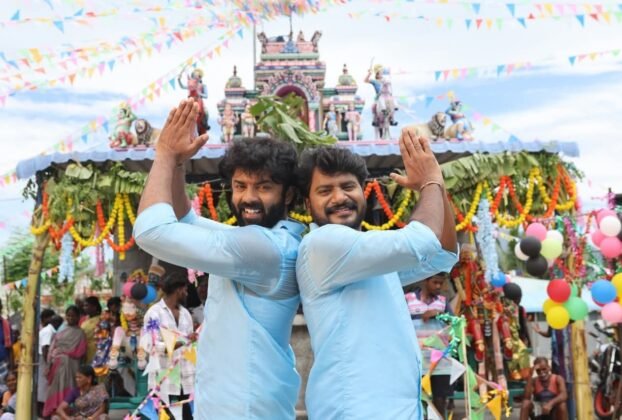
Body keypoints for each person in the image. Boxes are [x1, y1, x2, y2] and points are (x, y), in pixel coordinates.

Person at [133, 99, 304, 418]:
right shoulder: (263, 240)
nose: (249, 197)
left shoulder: (263, 249)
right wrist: (179, 165)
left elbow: (150, 231)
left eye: (264, 187)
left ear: (289, 194)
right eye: (240, 185)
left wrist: (165, 154)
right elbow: (185, 220)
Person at [295, 128, 458, 419]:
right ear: (308, 204)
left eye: (348, 186)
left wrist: (437, 185)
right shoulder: (322, 244)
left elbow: (444, 252)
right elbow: (422, 240)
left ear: (363, 192)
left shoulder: (370, 256)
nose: (339, 197)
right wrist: (430, 181)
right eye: (325, 190)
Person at [141, 273, 195, 419]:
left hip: (186, 379)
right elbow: (150, 345)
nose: (186, 293)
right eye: (185, 290)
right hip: (164, 380)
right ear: (178, 290)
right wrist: (181, 342)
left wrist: (193, 340)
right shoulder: (154, 313)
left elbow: (190, 346)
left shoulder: (185, 314)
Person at [405, 273, 455, 418]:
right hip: (417, 361)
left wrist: (438, 314)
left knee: (440, 399)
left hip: (440, 361)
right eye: (435, 282)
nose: (438, 286)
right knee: (419, 399)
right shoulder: (408, 299)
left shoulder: (443, 302)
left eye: (441, 283)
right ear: (425, 281)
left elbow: (455, 324)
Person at [43, 305, 87, 417]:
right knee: (56, 388)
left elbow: (81, 352)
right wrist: (51, 360)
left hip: (72, 366)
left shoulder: (80, 333)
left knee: (71, 387)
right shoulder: (61, 330)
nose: (71, 318)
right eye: (68, 315)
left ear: (78, 317)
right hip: (57, 365)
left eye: (73, 316)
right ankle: (55, 411)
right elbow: (52, 347)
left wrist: (66, 353)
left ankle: (67, 412)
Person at [38, 309, 57, 414]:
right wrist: (48, 366)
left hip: (44, 359)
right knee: (43, 389)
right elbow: (45, 348)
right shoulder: (48, 330)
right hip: (44, 360)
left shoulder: (48, 329)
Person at [81, 297, 102, 365]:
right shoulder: (85, 319)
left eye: (86, 305)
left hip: (97, 349)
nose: (84, 308)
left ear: (94, 307)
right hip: (86, 350)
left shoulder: (101, 319)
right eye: (84, 306)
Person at [0, 301, 12, 385]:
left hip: (3, 364)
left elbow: (10, 347)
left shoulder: (5, 324)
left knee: (5, 389)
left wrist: (11, 368)